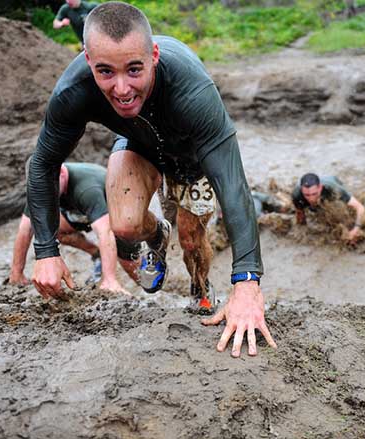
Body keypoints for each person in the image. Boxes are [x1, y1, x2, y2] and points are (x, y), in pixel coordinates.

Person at [27, 2, 276, 357]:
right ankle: (158, 234)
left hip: (192, 157)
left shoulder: (193, 92)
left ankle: (201, 289)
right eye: (105, 72)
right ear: (87, 62)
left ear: (154, 55)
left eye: (133, 70)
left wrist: (248, 283)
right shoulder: (74, 91)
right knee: (124, 225)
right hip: (140, 145)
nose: (122, 89)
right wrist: (46, 251)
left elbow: (233, 185)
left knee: (191, 238)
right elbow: (42, 165)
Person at [9, 161, 134, 295]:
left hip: (113, 209)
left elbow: (105, 231)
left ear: (62, 173)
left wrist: (109, 279)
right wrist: (17, 273)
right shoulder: (40, 188)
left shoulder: (86, 188)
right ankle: (96, 253)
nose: (47, 194)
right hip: (80, 212)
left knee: (132, 266)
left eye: (51, 188)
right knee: (51, 230)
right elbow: (25, 229)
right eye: (43, 189)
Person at [292, 173, 365, 244]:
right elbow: (300, 218)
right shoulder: (297, 194)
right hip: (319, 193)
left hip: (332, 182)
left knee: (347, 210)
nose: (311, 199)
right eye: (307, 195)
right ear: (302, 190)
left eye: (314, 194)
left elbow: (360, 207)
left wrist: (356, 228)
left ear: (320, 188)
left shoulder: (334, 189)